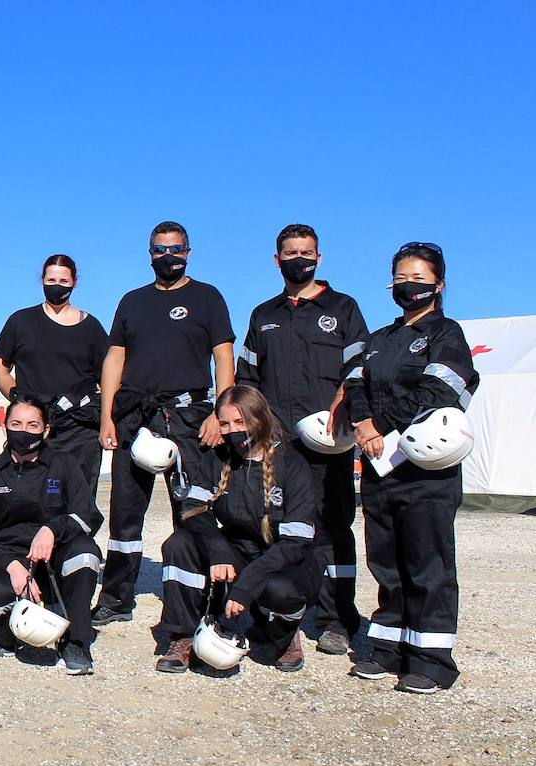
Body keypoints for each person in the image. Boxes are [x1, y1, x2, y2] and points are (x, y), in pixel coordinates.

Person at [344, 243, 479, 694]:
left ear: (438, 284)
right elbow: (356, 382)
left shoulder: (446, 334)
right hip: (381, 465)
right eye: (400, 279)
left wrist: (382, 422)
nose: (408, 287)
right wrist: (362, 424)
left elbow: (440, 388)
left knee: (427, 562)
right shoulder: (381, 339)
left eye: (418, 279)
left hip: (424, 470)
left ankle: (430, 659)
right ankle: (387, 648)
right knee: (386, 560)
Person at [236, 224, 370, 656]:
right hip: (278, 446)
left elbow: (360, 367)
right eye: (291, 252)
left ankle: (336, 620)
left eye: (307, 252)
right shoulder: (263, 314)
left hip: (326, 443)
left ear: (319, 257)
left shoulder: (343, 308)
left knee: (333, 528)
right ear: (277, 261)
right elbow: (247, 380)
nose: (299, 258)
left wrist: (343, 399)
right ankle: (284, 613)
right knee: (276, 527)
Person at [93, 220, 236, 626]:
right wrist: (107, 416)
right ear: (150, 253)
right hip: (136, 417)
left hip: (191, 418)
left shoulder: (207, 297)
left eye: (175, 249)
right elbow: (114, 359)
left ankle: (194, 598)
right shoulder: (132, 301)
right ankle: (116, 599)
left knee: (192, 509)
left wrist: (219, 414)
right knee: (125, 515)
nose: (168, 256)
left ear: (188, 252)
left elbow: (223, 357)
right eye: (160, 250)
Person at [155, 385, 318, 674]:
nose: (233, 431)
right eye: (226, 424)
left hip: (282, 559)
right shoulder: (217, 457)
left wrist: (245, 587)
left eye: (241, 422)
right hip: (236, 550)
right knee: (178, 543)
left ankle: (284, 633)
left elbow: (296, 542)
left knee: (281, 590)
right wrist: (218, 549)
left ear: (261, 419)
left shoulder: (293, 464)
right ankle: (182, 636)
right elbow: (193, 507)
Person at [0, 392, 106, 674]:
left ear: (46, 430)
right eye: (16, 424)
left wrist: (53, 528)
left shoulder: (65, 465)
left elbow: (89, 516)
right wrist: (13, 566)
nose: (23, 431)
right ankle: (4, 626)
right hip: (11, 559)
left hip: (57, 552)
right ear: (5, 426)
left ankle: (74, 641)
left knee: (86, 556)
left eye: (33, 425)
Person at [0, 254, 110, 490]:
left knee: (78, 499)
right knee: (30, 498)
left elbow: (108, 378)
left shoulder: (92, 327)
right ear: (42, 280)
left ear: (75, 282)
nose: (57, 286)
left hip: (80, 429)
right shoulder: (20, 321)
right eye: (51, 280)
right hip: (34, 429)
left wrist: (107, 418)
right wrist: (18, 398)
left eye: (64, 281)